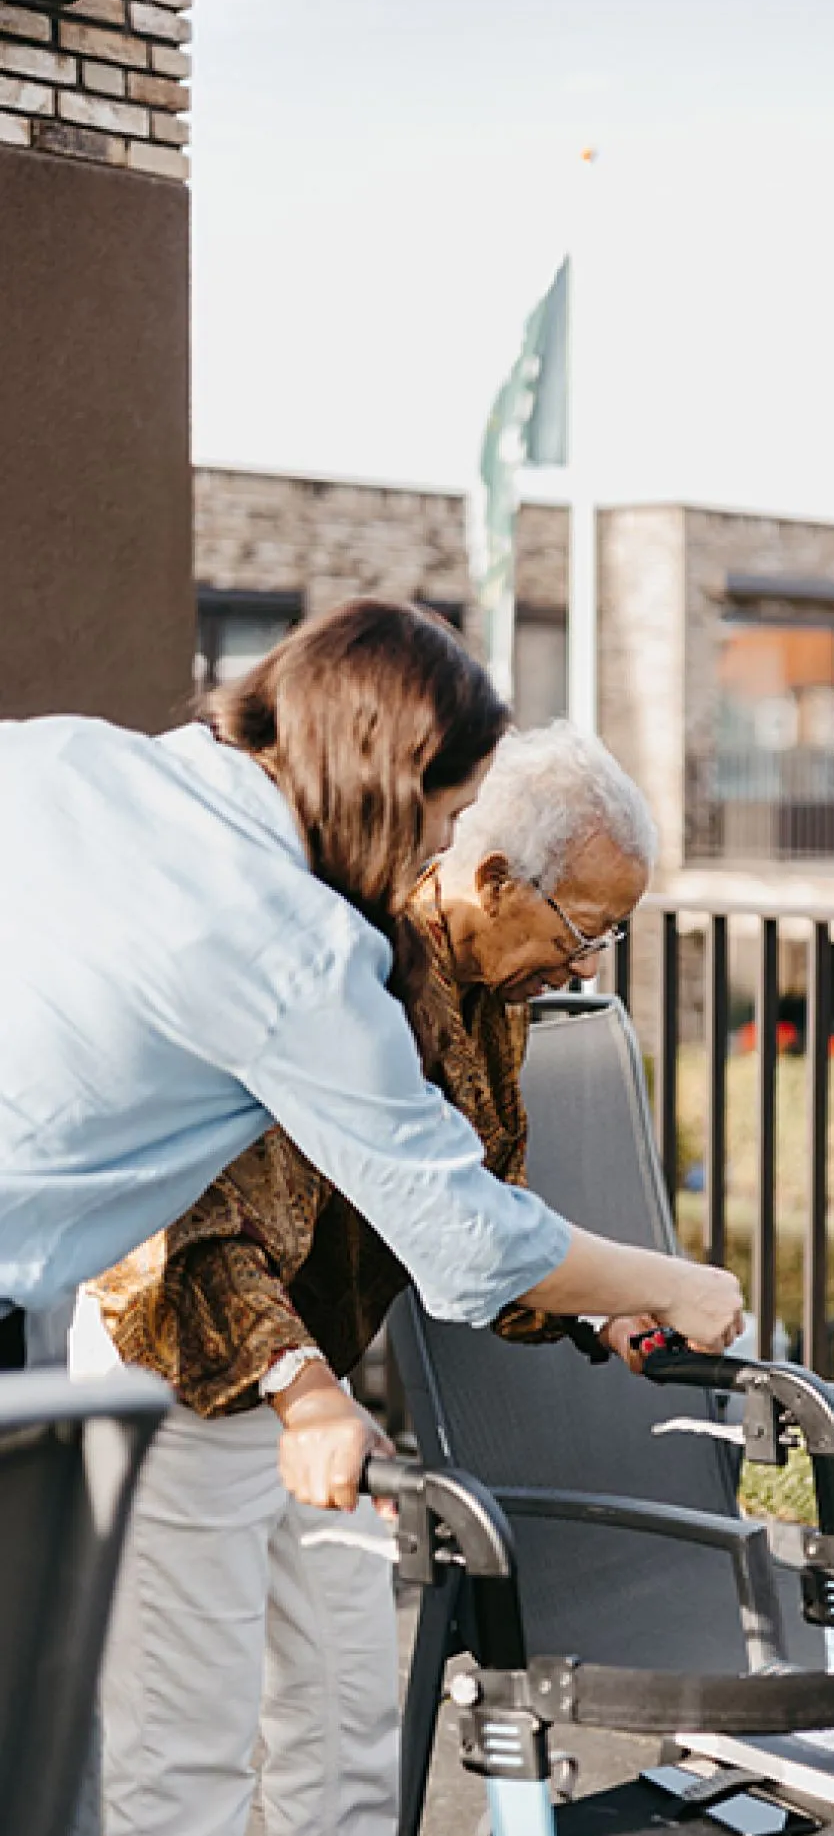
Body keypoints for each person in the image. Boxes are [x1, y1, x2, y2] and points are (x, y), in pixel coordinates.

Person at [72, 722, 666, 1836]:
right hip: (178, 1363)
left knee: (345, 1720)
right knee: (186, 1749)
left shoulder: (484, 987)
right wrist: (307, 1390)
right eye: (586, 925)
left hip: (312, 1395)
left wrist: (592, 1306)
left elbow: (468, 1216)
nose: (588, 958)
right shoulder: (328, 948)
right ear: (494, 873)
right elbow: (191, 1225)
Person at [0, 600, 743, 1406]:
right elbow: (463, 1235)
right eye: (451, 813)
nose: (441, 846)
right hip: (179, 1366)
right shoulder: (301, 949)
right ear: (392, 782)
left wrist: (603, 1304)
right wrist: (674, 1285)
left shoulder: (63, 753)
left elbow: (478, 1192)